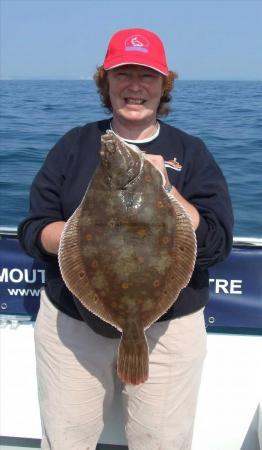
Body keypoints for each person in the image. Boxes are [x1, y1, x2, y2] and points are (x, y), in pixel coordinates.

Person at [18, 28, 234, 450]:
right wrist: (75, 239)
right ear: (106, 83)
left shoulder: (190, 153)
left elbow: (215, 244)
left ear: (163, 85)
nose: (135, 86)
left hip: (167, 328)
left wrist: (165, 188)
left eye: (147, 76)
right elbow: (32, 228)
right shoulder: (75, 145)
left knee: (162, 441)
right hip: (74, 324)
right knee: (65, 439)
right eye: (122, 75)